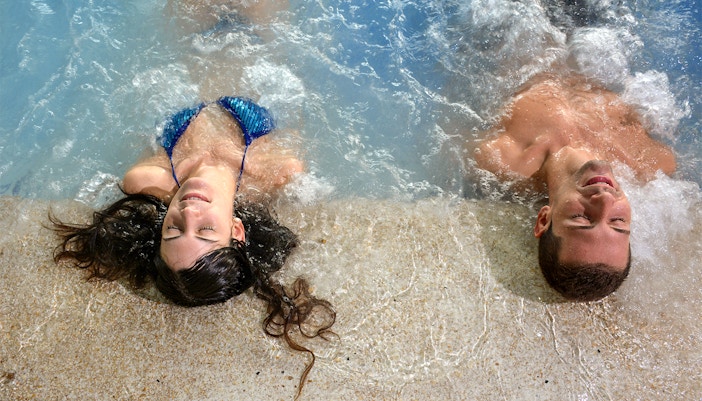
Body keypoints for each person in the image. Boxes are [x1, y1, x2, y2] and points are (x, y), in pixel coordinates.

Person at [473, 73, 676, 301]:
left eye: (581, 217)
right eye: (618, 222)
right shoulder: (653, 162)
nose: (605, 200)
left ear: (543, 219)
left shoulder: (502, 158)